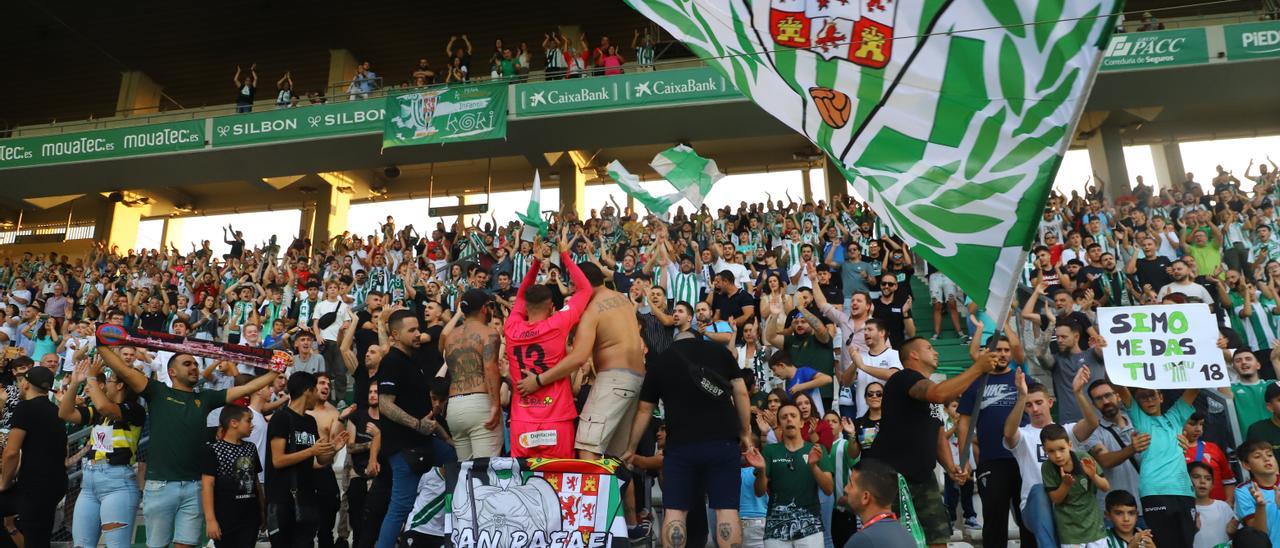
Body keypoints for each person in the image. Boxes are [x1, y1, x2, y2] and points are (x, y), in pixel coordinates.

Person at [100, 345, 278, 548]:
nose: (194, 367)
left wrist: (275, 372)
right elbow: (123, 370)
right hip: (160, 485)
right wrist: (101, 343)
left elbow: (246, 389)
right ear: (172, 372)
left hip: (195, 487)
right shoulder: (157, 391)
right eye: (187, 363)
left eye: (195, 363)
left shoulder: (205, 398)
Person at [621, 325, 752, 548]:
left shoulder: (661, 361)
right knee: (726, 510)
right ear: (698, 338)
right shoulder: (720, 352)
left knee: (675, 511)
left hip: (680, 445)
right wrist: (745, 432)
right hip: (722, 441)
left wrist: (631, 447)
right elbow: (740, 391)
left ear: (675, 342)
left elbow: (644, 410)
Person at [865, 337, 996, 547]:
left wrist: (951, 467)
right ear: (913, 355)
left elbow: (937, 434)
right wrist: (977, 368)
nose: (935, 352)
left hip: (923, 476)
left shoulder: (930, 392)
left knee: (938, 538)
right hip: (891, 477)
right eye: (929, 347)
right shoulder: (903, 378)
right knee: (894, 542)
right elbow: (938, 394)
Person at [504, 230, 594, 458]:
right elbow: (585, 289)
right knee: (559, 486)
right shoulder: (558, 322)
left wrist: (535, 263)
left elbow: (522, 294)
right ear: (551, 308)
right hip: (557, 419)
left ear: (524, 308)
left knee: (525, 488)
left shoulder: (511, 326)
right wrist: (564, 254)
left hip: (522, 420)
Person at [1003, 367, 1098, 548]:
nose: (1035, 409)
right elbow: (1008, 433)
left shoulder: (1066, 432)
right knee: (1040, 490)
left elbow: (1092, 423)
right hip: (1035, 507)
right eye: (1029, 405)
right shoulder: (1023, 435)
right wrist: (1021, 397)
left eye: (1039, 402)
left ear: (1050, 402)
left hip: (1068, 504)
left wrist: (1078, 392)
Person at [58, 358, 145, 548]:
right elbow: (65, 413)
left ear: (121, 385)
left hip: (117, 483)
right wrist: (74, 383)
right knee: (80, 545)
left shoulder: (134, 409)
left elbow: (105, 406)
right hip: (89, 483)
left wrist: (91, 377)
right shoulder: (98, 412)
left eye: (109, 380)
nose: (104, 385)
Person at [955, 331, 1031, 548]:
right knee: (994, 519)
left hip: (1023, 459)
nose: (1003, 354)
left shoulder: (1022, 379)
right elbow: (964, 423)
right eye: (998, 349)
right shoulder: (975, 382)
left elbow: (1038, 407)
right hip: (991, 460)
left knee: (1028, 519)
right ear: (988, 352)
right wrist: (964, 459)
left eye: (1007, 350)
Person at [1111, 381, 1200, 548]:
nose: (1149, 400)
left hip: (1184, 491)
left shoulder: (1175, 417)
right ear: (1136, 403)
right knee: (1162, 544)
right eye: (1142, 397)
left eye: (1152, 394)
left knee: (1186, 544)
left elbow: (1195, 388)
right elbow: (1119, 387)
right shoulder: (1141, 420)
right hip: (1154, 492)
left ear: (1161, 396)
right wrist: (1108, 355)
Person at [375, 309, 436, 548]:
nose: (418, 334)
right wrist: (418, 425)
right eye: (412, 330)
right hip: (404, 447)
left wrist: (443, 437)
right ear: (395, 335)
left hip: (423, 443)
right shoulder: (391, 361)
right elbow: (385, 404)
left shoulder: (413, 361)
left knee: (454, 460)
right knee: (400, 507)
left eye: (418, 329)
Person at [268, 372, 343, 547]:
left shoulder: (309, 421)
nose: (318, 395)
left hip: (306, 497)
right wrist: (310, 451)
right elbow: (278, 460)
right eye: (316, 390)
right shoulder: (281, 418)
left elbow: (321, 460)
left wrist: (333, 449)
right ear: (307, 391)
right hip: (283, 500)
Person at [745, 402, 831, 547]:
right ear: (779, 424)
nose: (789, 419)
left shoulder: (817, 449)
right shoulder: (770, 451)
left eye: (793, 416)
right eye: (784, 417)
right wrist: (761, 470)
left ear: (802, 422)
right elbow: (759, 492)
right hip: (775, 530)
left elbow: (828, 489)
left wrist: (813, 466)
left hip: (810, 528)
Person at [0, 366, 66, 548]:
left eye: (21, 380)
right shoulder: (57, 410)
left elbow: (11, 452)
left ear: (26, 384)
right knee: (39, 538)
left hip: (34, 487)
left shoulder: (25, 408)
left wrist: (4, 483)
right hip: (54, 483)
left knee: (35, 541)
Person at [438, 289, 501, 460]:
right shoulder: (489, 333)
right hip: (479, 403)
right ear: (484, 308)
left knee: (465, 472)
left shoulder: (450, 336)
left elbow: (441, 342)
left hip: (454, 407)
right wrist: (495, 404)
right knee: (486, 469)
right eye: (491, 306)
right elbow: (490, 368)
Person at [202, 405, 264, 548]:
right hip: (225, 518)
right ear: (234, 423)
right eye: (248, 421)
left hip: (250, 517)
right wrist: (210, 520)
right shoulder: (214, 449)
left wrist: (262, 511)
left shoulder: (251, 448)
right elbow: (207, 485)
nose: (252, 425)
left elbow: (255, 482)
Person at [1041, 423, 1109, 547]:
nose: (1057, 455)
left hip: (1094, 526)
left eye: (1062, 449)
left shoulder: (1083, 458)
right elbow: (1056, 499)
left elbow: (1105, 487)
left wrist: (1093, 476)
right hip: (1069, 532)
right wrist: (1065, 484)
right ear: (1044, 451)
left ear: (1070, 445)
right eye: (1051, 451)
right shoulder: (1047, 467)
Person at [842, 459, 915, 547]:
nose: (846, 489)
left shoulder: (862, 540)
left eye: (850, 484)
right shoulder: (906, 535)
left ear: (865, 497)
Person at [1183, 411, 1236, 504]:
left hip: (1218, 509)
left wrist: (1228, 502)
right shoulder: (1171, 451)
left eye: (1201, 424)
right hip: (1187, 508)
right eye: (1192, 424)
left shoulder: (1213, 448)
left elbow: (1228, 480)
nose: (1198, 429)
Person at [1235, 439, 1280, 547]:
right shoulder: (1243, 491)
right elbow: (1258, 537)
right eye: (1257, 456)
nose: (1266, 459)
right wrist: (1260, 506)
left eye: (1269, 455)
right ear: (1246, 465)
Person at [767, 352, 831, 416]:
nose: (774, 374)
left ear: (782, 365)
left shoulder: (803, 371)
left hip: (815, 419)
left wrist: (801, 386)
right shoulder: (788, 383)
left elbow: (827, 379)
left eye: (774, 370)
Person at [1189, 461, 1235, 548]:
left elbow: (1234, 537)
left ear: (1212, 485)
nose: (1203, 481)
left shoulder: (1223, 507)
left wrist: (1232, 533)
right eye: (1196, 477)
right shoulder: (1183, 509)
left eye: (1208, 478)